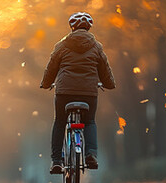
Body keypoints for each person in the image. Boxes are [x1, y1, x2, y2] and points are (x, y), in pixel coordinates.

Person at [40, 12, 115, 174]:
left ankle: (56, 162)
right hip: (88, 93)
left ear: (72, 27)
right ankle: (91, 155)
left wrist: (46, 84)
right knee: (89, 122)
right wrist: (109, 84)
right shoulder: (97, 46)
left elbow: (51, 67)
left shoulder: (61, 45)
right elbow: (105, 70)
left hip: (64, 92)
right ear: (89, 27)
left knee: (60, 122)